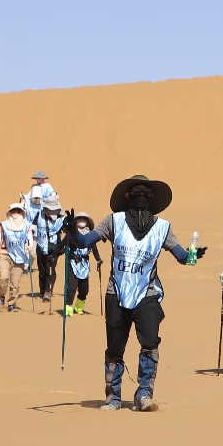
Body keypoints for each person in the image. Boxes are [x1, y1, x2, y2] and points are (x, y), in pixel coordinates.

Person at [66, 173, 200, 412]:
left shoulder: (162, 227)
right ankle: (113, 397)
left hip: (147, 293)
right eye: (137, 193)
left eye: (146, 194)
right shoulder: (114, 221)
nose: (141, 197)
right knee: (115, 348)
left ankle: (144, 394)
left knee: (150, 341)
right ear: (127, 196)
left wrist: (193, 255)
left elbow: (181, 255)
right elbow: (85, 242)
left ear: (152, 198)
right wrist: (72, 231)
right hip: (116, 293)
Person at [0, 204, 33, 312]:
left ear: (22, 213)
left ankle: (12, 303)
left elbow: (30, 238)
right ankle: (1, 297)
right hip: (5, 254)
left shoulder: (27, 226)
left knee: (15, 283)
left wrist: (30, 245)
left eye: (18, 211)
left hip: (19, 257)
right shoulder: (4, 225)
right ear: (9, 213)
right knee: (3, 277)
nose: (15, 213)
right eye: (13, 211)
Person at [62, 212, 102, 316]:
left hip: (84, 265)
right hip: (72, 263)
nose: (82, 221)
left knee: (84, 290)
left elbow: (94, 248)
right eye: (79, 219)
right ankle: (68, 309)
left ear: (87, 222)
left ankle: (79, 308)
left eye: (84, 219)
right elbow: (62, 245)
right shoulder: (71, 233)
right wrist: (54, 255)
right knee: (71, 288)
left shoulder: (89, 235)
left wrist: (98, 259)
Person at [32, 192, 66, 311]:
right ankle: (42, 290)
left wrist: (69, 225)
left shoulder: (61, 218)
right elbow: (32, 228)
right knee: (42, 271)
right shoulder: (39, 215)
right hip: (40, 248)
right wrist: (29, 241)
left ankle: (48, 290)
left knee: (50, 270)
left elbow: (67, 231)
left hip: (53, 249)